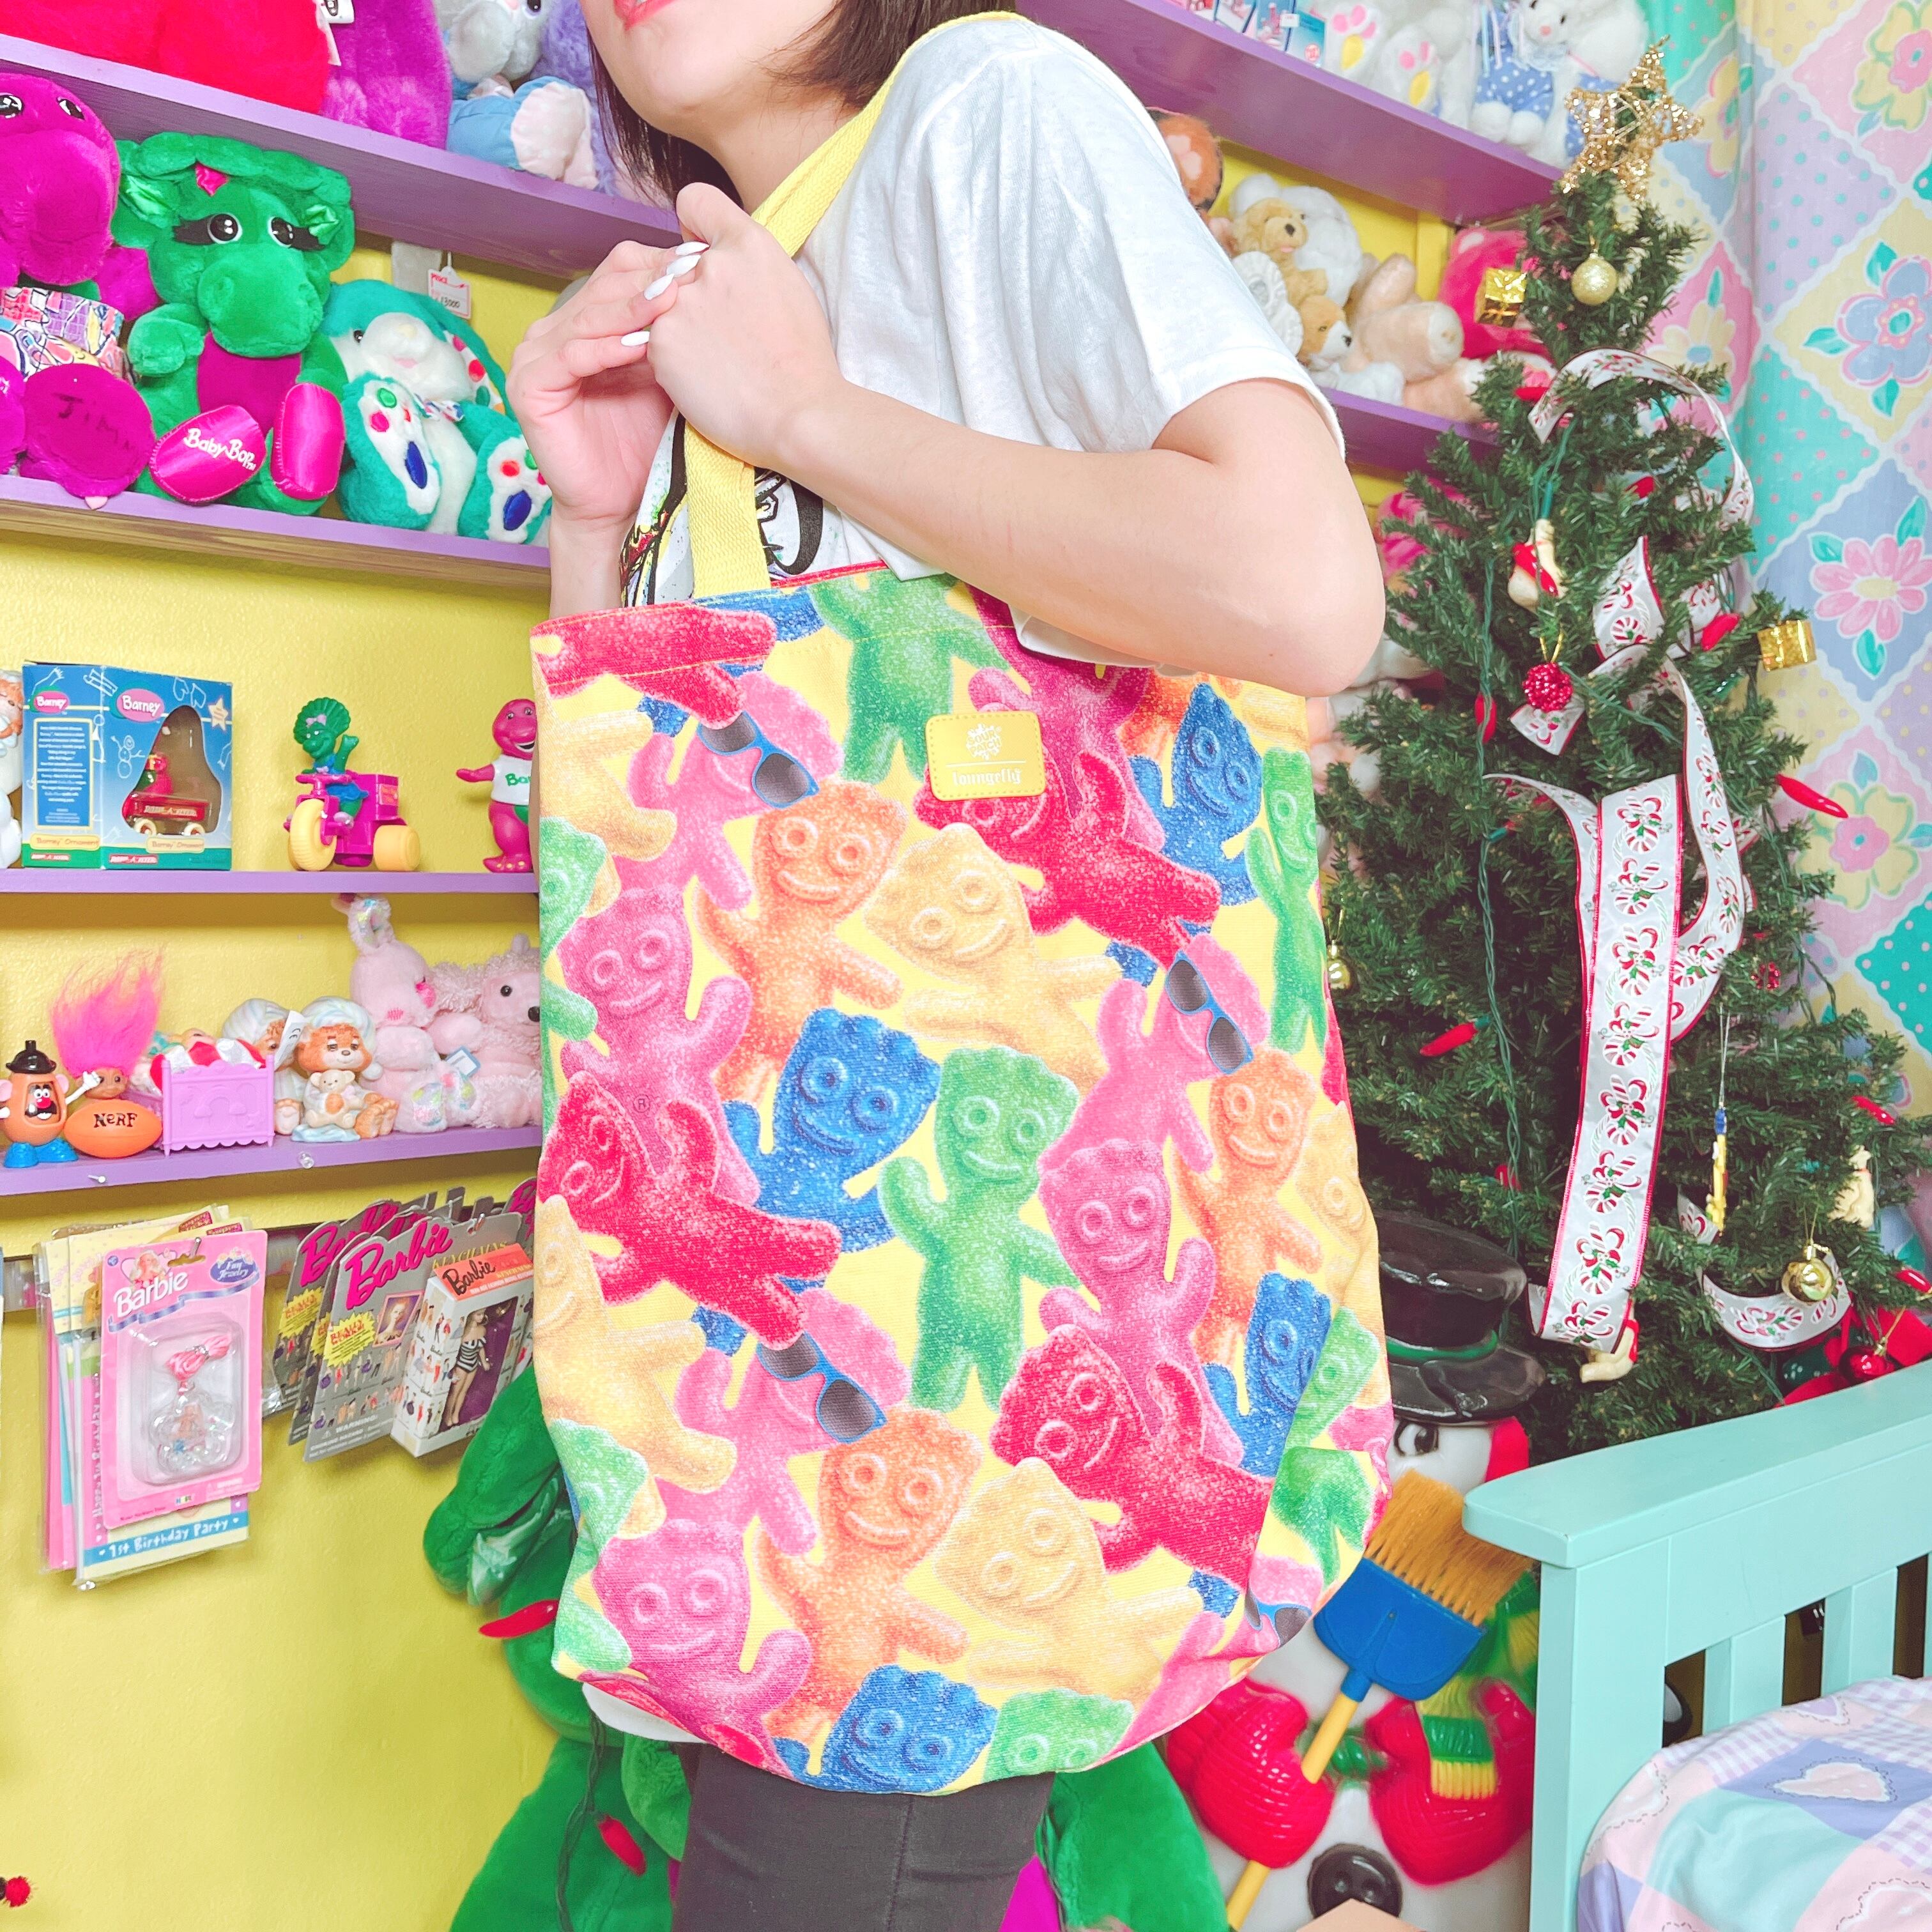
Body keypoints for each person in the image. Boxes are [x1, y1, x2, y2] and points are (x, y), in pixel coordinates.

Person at [511, 5, 1384, 1928]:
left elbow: (1302, 586)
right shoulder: (750, 273)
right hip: (791, 1370)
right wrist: (603, 517)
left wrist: (810, 421)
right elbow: (673, 866)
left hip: (928, 1382)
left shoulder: (982, 106)